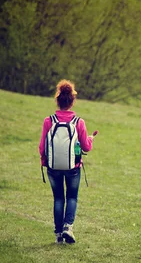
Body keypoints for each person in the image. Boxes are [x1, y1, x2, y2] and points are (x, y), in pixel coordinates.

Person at [39, 80, 98, 244]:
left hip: (53, 167)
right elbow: (85, 146)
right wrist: (91, 139)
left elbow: (42, 146)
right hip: (73, 167)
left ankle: (58, 235)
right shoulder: (79, 122)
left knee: (58, 199)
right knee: (72, 197)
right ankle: (67, 227)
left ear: (57, 100)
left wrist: (45, 161)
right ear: (72, 101)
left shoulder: (48, 121)